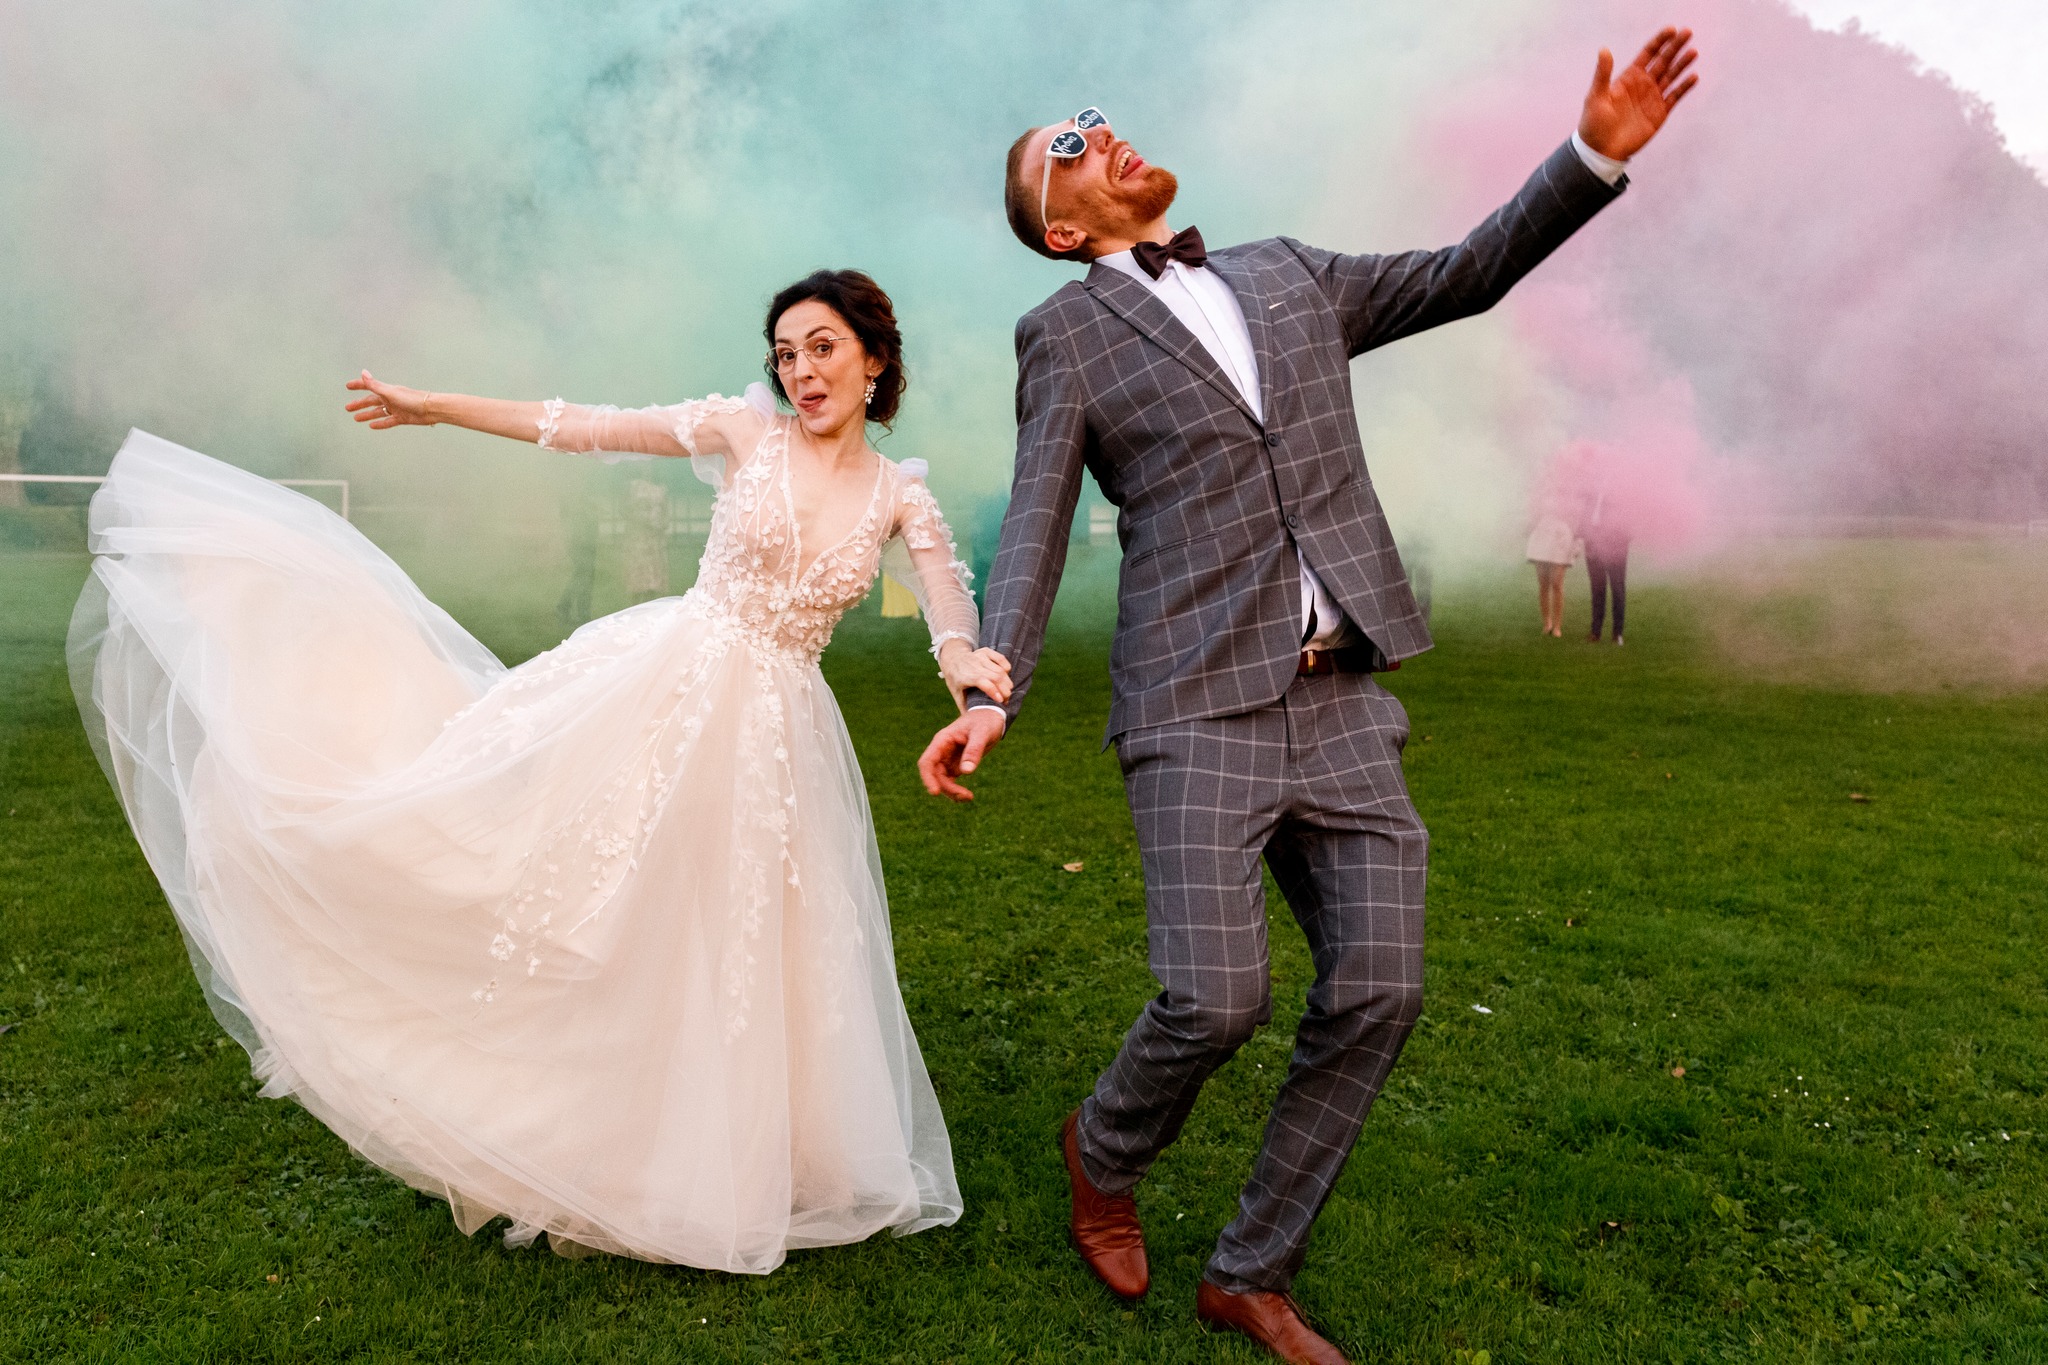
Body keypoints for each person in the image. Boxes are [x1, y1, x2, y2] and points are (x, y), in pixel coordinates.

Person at [919, 28, 1698, 1365]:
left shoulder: (1288, 274)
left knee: (1381, 991)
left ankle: (1250, 1270)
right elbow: (1038, 520)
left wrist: (1589, 157)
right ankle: (1102, 1147)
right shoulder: (1065, 335)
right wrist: (995, 682)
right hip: (1192, 706)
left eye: (1096, 116)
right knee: (1213, 1000)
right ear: (1060, 229)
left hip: (1343, 708)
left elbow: (1465, 272)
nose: (1101, 133)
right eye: (1070, 144)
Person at [68, 269, 1007, 1273]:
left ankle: (716, 1142)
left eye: (822, 347)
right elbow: (581, 426)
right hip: (665, 689)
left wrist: (965, 671)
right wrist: (433, 406)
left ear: (874, 357)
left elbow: (946, 602)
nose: (801, 371)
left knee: (734, 932)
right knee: (578, 891)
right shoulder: (745, 435)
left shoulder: (898, 495)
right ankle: (555, 1103)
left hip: (778, 733)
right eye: (785, 354)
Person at [1583, 482, 1630, 645]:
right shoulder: (1590, 493)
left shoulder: (1621, 494)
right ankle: (1595, 632)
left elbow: (1630, 521)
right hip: (1593, 546)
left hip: (1615, 547)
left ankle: (1617, 633)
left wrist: (1622, 542)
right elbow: (1584, 518)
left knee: (1617, 589)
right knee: (1597, 589)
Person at [1526, 503, 1579, 638]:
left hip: (1561, 537)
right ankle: (1547, 623)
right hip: (1542, 534)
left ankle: (1557, 626)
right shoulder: (1542, 493)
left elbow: (1575, 516)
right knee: (1543, 584)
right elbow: (1533, 512)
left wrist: (1576, 543)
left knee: (1557, 584)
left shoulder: (1568, 495)